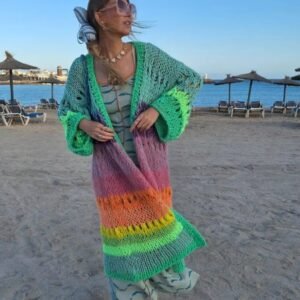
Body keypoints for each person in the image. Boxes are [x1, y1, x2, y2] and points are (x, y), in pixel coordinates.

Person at [58, 0, 207, 299]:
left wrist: (159, 109)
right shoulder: (81, 68)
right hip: (109, 171)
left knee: (158, 228)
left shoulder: (148, 55)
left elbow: (191, 79)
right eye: (122, 5)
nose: (130, 13)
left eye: (131, 6)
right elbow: (66, 111)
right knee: (123, 242)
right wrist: (84, 124)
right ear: (100, 16)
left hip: (151, 164)